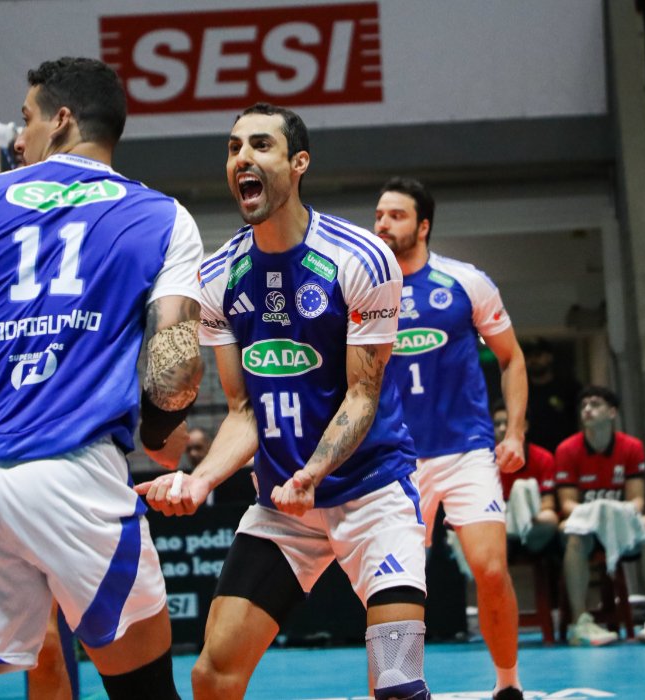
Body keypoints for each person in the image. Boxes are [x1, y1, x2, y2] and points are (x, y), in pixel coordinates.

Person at [0, 57, 202, 700]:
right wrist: (157, 432)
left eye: (27, 117)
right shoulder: (162, 216)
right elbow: (174, 372)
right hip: (78, 481)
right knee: (144, 691)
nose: (19, 136)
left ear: (62, 120)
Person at [136, 103, 431, 700]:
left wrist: (314, 471)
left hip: (370, 492)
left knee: (397, 679)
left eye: (260, 145)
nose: (242, 157)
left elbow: (362, 393)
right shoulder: (218, 276)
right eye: (232, 147)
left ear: (298, 164)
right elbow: (245, 410)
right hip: (279, 504)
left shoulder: (360, 259)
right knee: (212, 677)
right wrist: (201, 480)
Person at [374, 176, 526, 700]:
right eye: (379, 215)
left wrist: (516, 432)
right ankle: (398, 688)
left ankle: (508, 682)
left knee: (488, 568)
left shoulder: (465, 282)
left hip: (465, 451)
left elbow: (511, 357)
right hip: (395, 459)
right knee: (395, 586)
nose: (383, 224)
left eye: (395, 215)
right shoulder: (366, 288)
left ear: (424, 225)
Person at [555, 386, 645, 646]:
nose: (587, 409)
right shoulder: (567, 450)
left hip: (621, 524)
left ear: (612, 412)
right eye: (584, 405)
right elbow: (567, 504)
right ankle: (580, 622)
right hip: (586, 527)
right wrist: (598, 513)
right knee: (571, 534)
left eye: (595, 404)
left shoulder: (631, 447)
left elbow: (637, 501)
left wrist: (612, 513)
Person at [493, 406, 558, 552]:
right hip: (501, 524)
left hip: (533, 523)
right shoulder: (484, 461)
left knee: (549, 517)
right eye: (497, 424)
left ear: (525, 426)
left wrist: (524, 516)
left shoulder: (544, 458)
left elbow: (548, 503)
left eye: (508, 423)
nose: (502, 428)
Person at [522, 338, 581, 452]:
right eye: (528, 356)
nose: (533, 360)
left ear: (549, 357)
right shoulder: (521, 390)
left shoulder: (569, 387)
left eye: (538, 355)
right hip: (533, 456)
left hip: (566, 451)